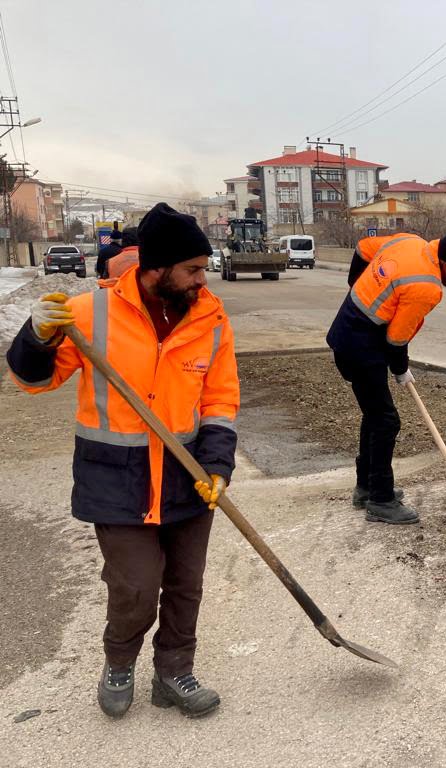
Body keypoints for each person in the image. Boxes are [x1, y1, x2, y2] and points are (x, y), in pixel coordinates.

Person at [6, 202, 238, 719]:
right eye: (193, 269)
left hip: (188, 475)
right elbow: (34, 381)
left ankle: (174, 672)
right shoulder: (91, 314)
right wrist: (37, 336)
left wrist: (219, 467)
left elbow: (220, 399)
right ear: (157, 269)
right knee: (135, 586)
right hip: (117, 479)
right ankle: (119, 662)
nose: (204, 278)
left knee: (185, 585)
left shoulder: (211, 319)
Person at [326, 231, 446, 525]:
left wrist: (355, 286)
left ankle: (367, 487)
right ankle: (380, 500)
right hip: (361, 344)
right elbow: (396, 338)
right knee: (385, 420)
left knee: (375, 415)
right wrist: (400, 368)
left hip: (348, 331)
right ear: (445, 262)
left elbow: (362, 248)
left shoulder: (409, 241)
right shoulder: (427, 287)